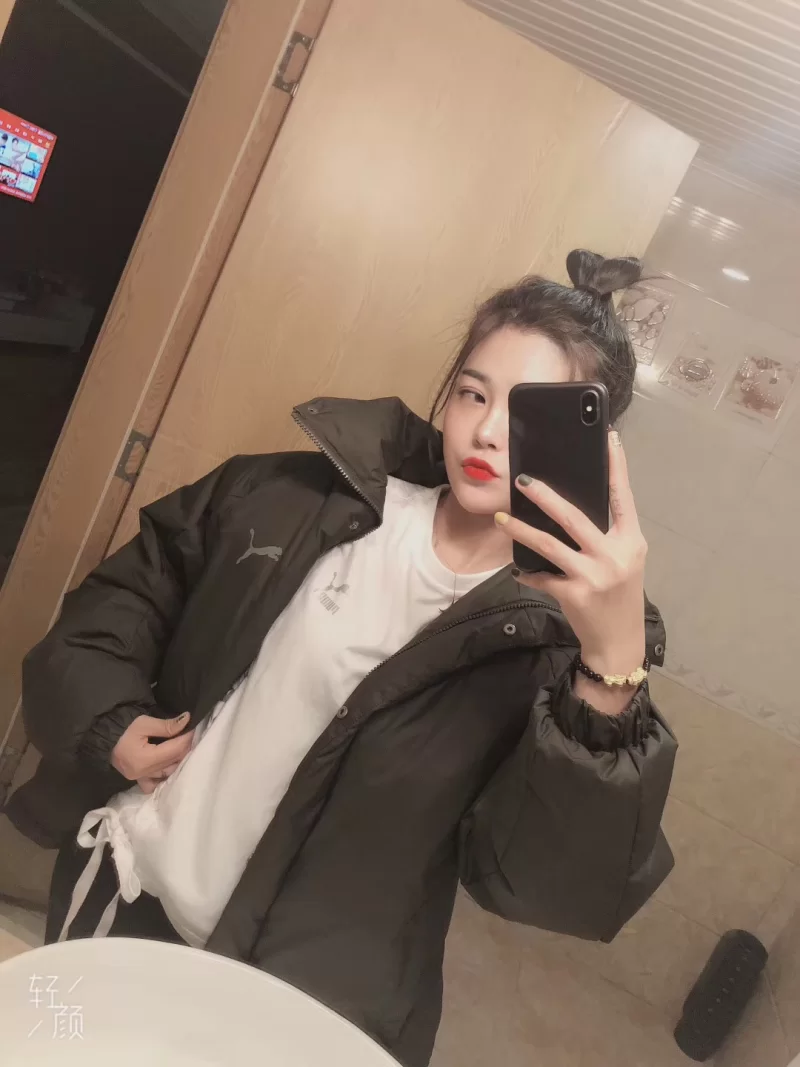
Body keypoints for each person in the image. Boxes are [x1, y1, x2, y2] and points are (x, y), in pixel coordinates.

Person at [6, 249, 676, 1067]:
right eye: (474, 393)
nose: (487, 431)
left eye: (529, 414)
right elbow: (127, 596)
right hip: (131, 889)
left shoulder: (562, 643)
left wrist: (609, 665)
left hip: (299, 1008)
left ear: (591, 447)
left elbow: (541, 884)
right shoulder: (305, 496)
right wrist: (109, 716)